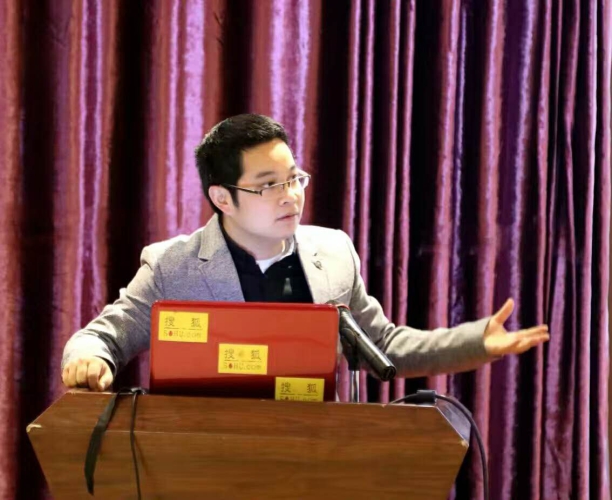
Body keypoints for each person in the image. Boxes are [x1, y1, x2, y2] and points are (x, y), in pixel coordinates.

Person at [61, 114, 549, 392]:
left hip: (312, 455)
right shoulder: (175, 266)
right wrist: (90, 360)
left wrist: (475, 342)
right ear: (223, 198)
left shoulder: (333, 253)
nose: (290, 195)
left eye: (294, 178)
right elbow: (102, 337)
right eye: (268, 185)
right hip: (205, 459)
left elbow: (384, 346)